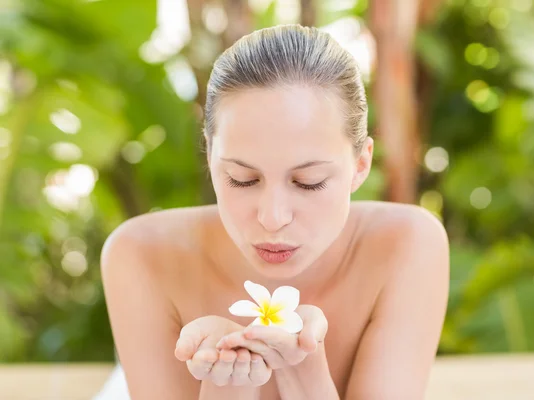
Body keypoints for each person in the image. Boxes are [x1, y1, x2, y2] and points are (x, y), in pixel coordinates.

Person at [100, 24, 449, 400]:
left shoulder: (407, 245)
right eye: (242, 179)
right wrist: (226, 385)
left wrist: (303, 367)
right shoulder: (141, 255)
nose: (273, 217)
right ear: (210, 154)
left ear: (361, 165)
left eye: (309, 182)